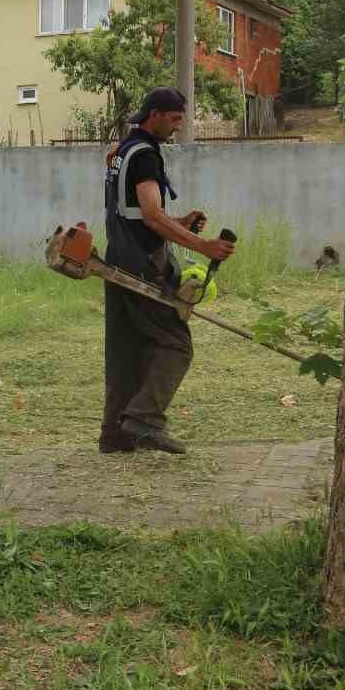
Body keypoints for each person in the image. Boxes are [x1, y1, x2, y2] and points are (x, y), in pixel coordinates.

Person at [100, 87, 236, 455]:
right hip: (142, 263)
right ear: (155, 114)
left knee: (126, 348)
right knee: (176, 342)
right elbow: (151, 216)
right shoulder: (145, 155)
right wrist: (203, 246)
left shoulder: (122, 150)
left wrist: (181, 222)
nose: (178, 127)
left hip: (118, 256)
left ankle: (115, 434)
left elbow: (133, 212)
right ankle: (144, 421)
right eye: (175, 119)